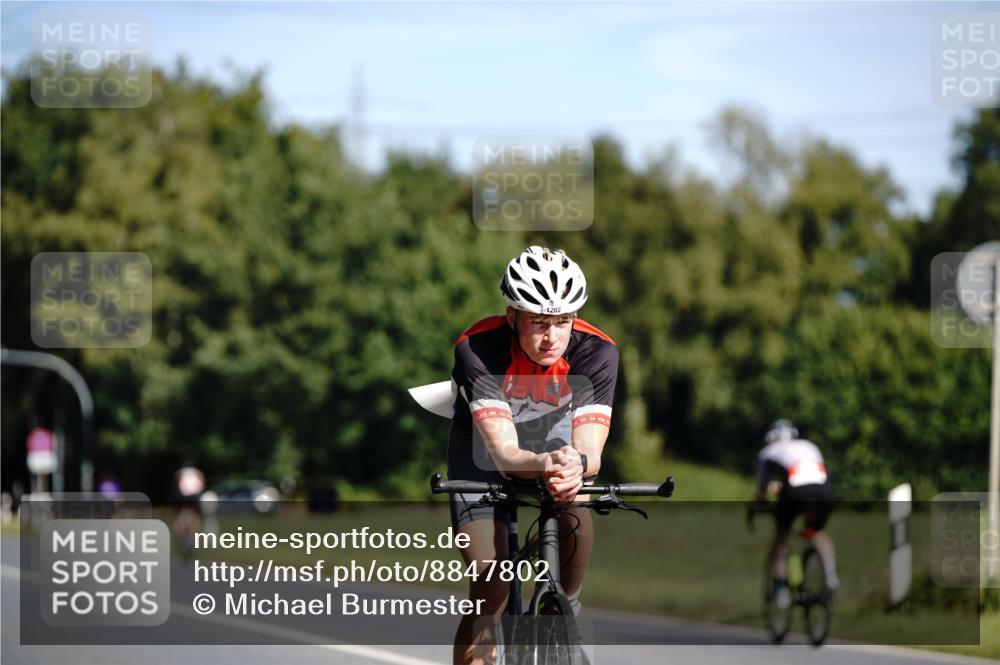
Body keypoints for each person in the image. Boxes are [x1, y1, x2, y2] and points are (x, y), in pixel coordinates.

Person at [448, 246, 618, 665]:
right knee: (491, 587)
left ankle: (568, 607)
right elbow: (504, 453)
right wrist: (547, 464)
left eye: (563, 322)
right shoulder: (479, 348)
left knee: (574, 493)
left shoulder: (597, 353)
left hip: (553, 437)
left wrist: (575, 466)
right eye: (539, 322)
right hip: (482, 447)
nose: (551, 337)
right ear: (512, 317)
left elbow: (589, 451)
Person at [756, 419, 839, 603]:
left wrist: (760, 501)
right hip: (823, 489)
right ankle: (830, 574)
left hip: (796, 491)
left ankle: (780, 587)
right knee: (814, 531)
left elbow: (762, 490)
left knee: (782, 535)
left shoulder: (768, 452)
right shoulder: (809, 445)